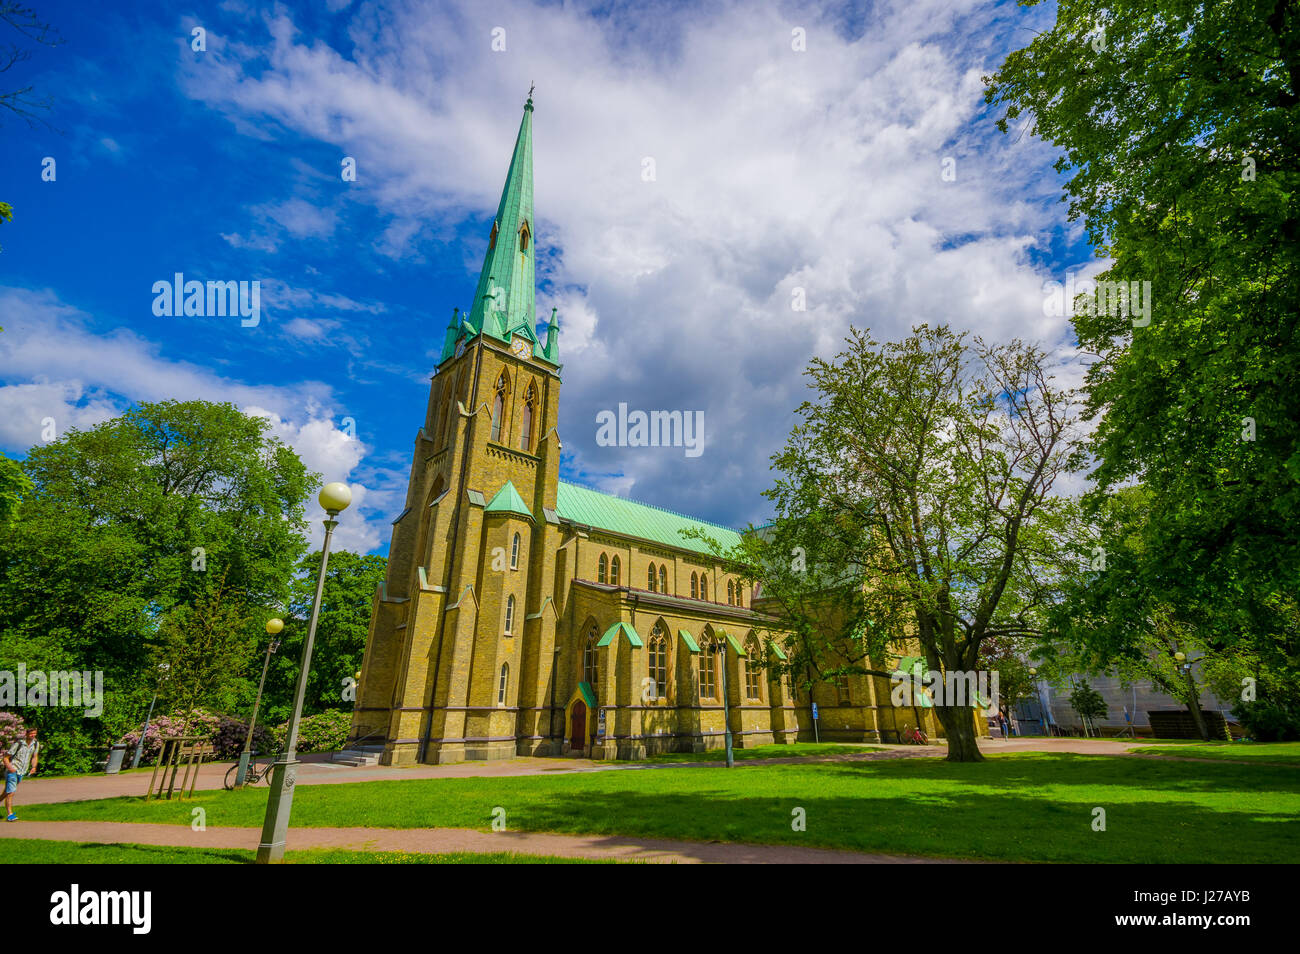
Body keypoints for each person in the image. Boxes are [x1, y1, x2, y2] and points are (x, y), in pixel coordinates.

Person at [4, 725, 39, 822]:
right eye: (31, 734)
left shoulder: (36, 744)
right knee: (11, 792)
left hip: (22, 771)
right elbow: (6, 758)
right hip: (13, 770)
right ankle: (10, 815)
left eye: (35, 734)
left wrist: (34, 767)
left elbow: (35, 756)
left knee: (6, 792)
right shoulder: (19, 743)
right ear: (26, 734)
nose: (33, 735)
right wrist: (11, 768)